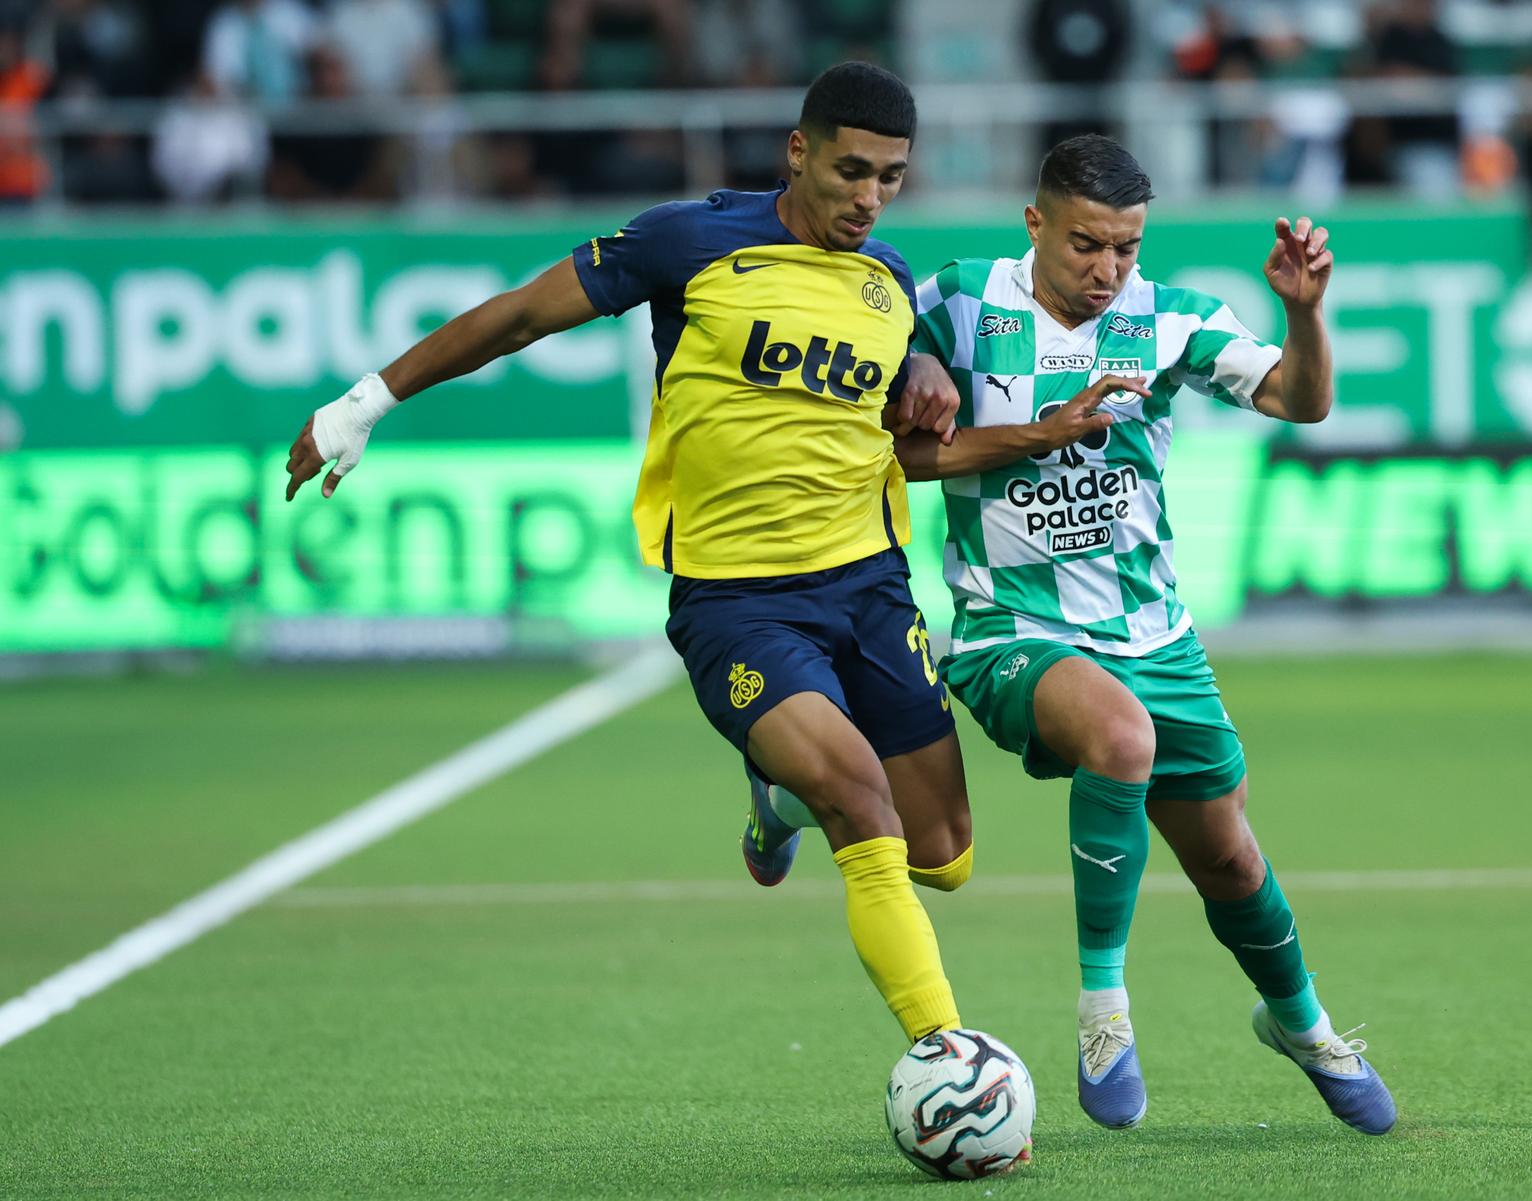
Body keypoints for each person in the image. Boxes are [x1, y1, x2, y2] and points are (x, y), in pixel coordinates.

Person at [282, 63, 1096, 1047]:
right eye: (851, 171)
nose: (869, 197)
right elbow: (522, 314)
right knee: (859, 798)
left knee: (945, 854)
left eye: (890, 177)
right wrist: (365, 403)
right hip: (738, 603)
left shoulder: (887, 277)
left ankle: (777, 799)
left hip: (871, 587)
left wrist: (927, 366)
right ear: (798, 152)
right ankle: (950, 1056)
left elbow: (899, 429)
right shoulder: (692, 241)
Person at [903, 134, 1395, 1134]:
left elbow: (1302, 402)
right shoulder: (955, 301)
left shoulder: (1172, 319)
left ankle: (1301, 1023)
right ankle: (1104, 1012)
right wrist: (987, 401)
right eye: (1085, 244)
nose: (1108, 270)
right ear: (1035, 222)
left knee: (1232, 863)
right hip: (1009, 624)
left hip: (1154, 634)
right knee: (1121, 737)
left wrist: (1305, 313)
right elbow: (904, 451)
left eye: (1126, 248)